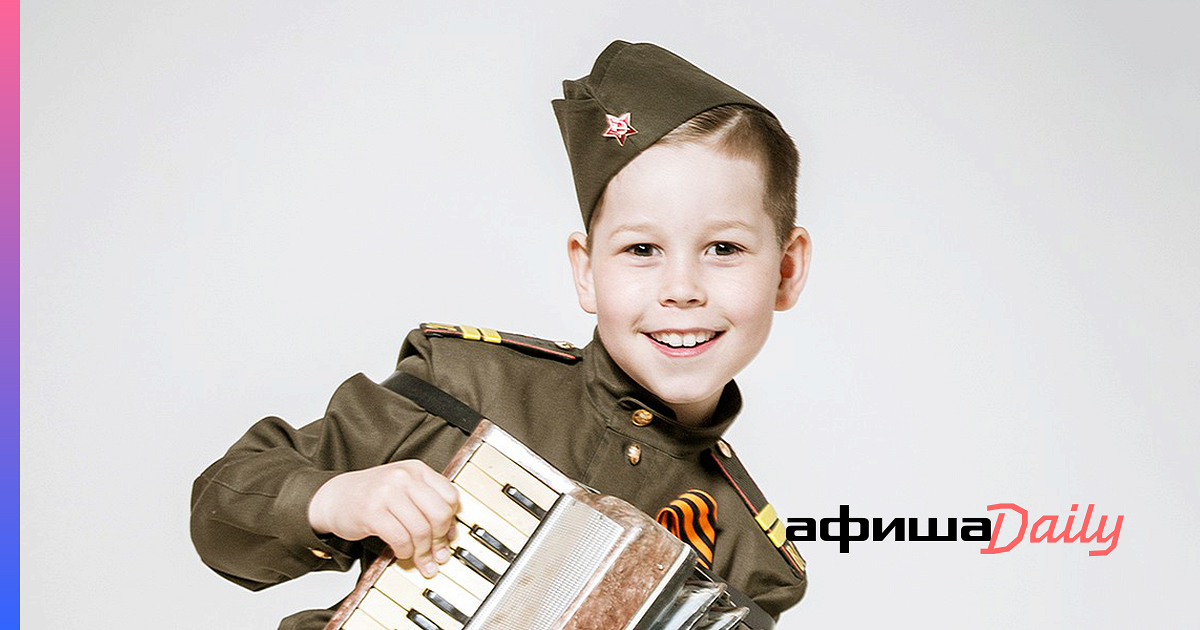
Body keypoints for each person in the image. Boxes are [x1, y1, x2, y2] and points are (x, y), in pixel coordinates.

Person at [191, 40, 811, 630]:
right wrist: (332, 499)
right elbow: (219, 517)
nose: (681, 289)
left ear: (786, 271)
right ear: (585, 271)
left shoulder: (749, 554)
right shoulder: (462, 384)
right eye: (642, 249)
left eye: (723, 248)